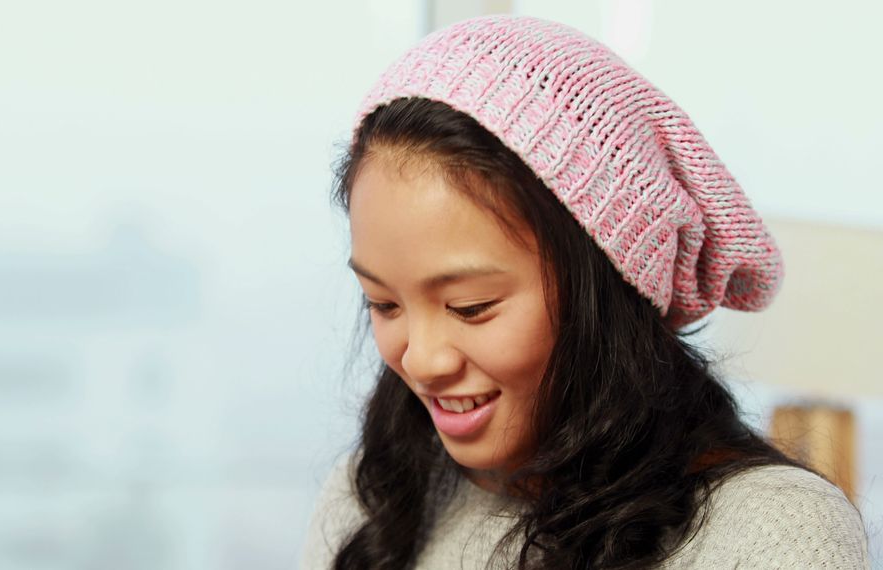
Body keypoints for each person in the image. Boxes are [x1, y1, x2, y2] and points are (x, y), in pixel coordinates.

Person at [301, 15, 869, 570]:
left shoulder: (773, 533)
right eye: (384, 304)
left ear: (609, 287)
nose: (422, 361)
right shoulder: (374, 501)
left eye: (470, 308)